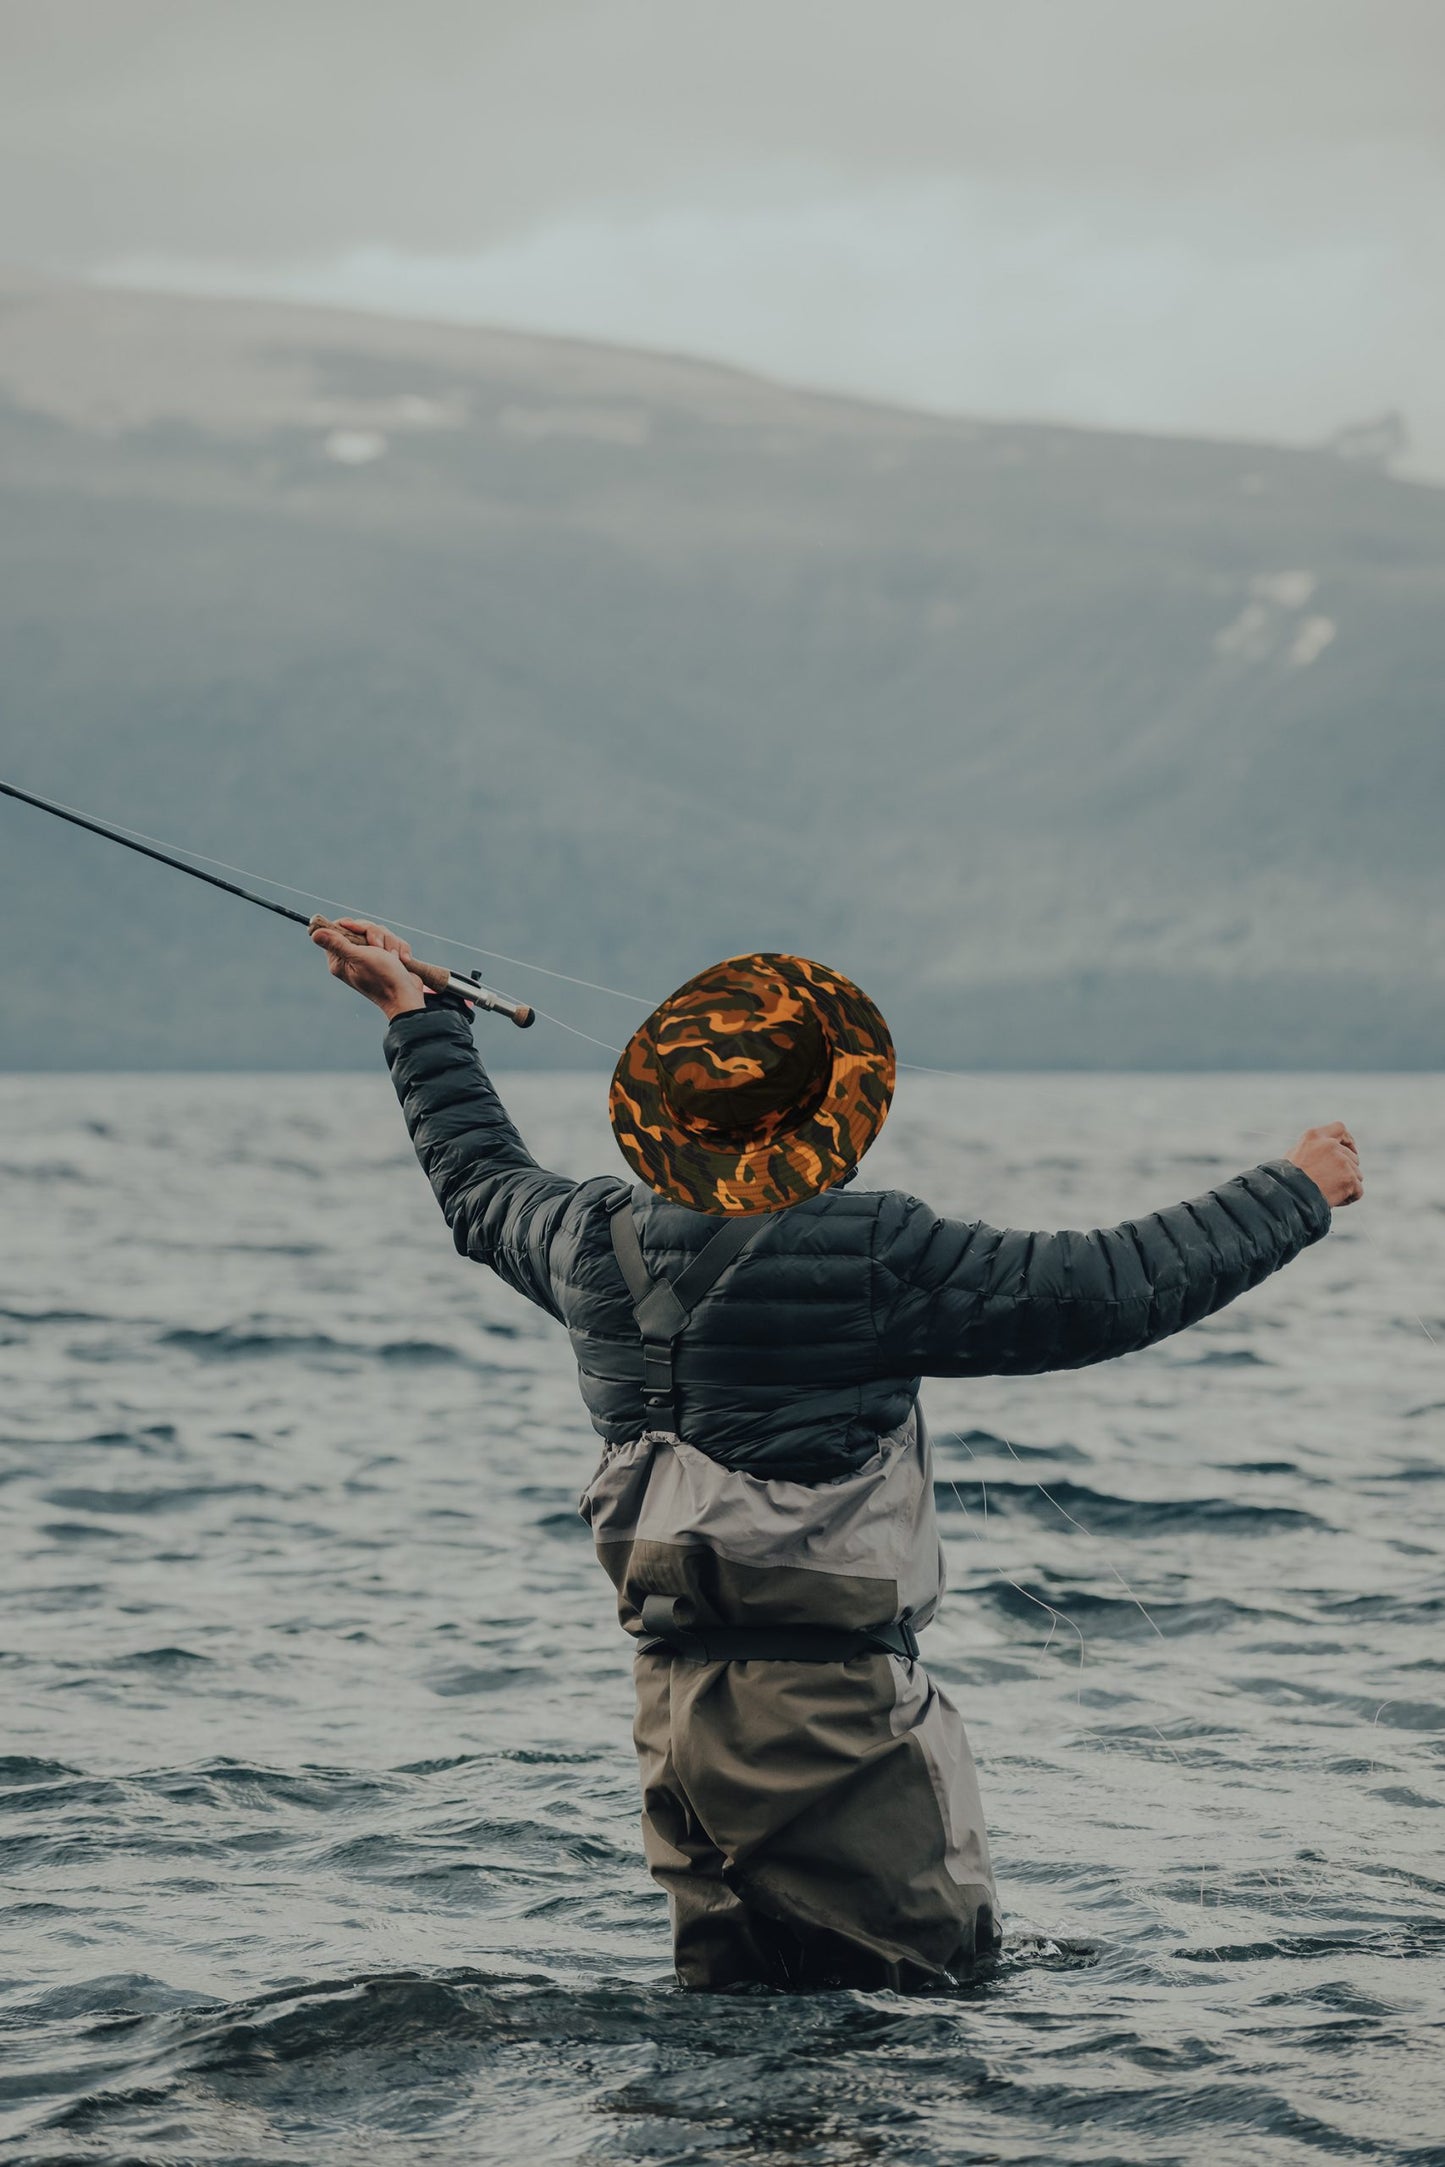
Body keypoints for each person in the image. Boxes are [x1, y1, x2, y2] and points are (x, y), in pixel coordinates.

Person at [311, 916, 1363, 1992]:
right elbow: (1095, 1291)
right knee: (902, 2027)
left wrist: (418, 1019)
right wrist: (1291, 1191)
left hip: (673, 1718)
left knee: (732, 2039)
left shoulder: (588, 1239)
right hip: (833, 1727)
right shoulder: (871, 1253)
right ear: (828, 1121)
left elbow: (478, 1186)